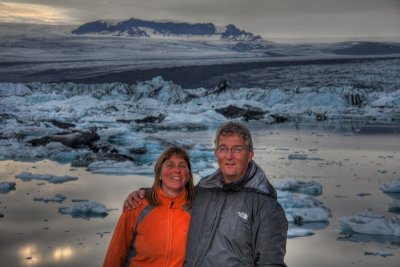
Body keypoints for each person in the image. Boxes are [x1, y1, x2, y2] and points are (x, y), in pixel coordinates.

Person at [124, 121, 288, 266]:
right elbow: (174, 197)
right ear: (216, 153)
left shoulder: (266, 208)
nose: (229, 156)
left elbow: (271, 263)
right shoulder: (204, 191)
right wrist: (145, 193)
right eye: (223, 149)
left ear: (250, 154)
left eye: (237, 149)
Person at [103, 146, 195, 267]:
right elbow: (116, 253)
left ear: (188, 176)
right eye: (170, 165)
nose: (177, 170)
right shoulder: (137, 204)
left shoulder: (197, 209)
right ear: (160, 175)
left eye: (182, 165)